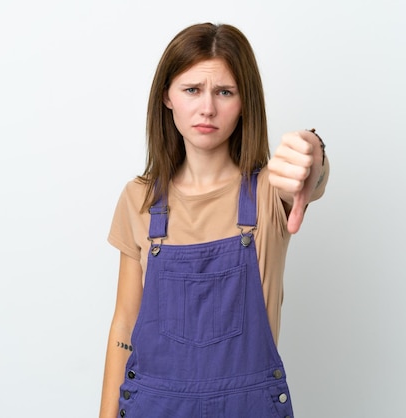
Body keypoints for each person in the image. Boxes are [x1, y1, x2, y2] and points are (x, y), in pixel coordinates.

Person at [99, 22, 329, 418]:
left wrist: (313, 153)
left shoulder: (269, 191)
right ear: (167, 97)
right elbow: (124, 323)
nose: (207, 108)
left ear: (245, 102)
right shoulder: (139, 198)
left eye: (225, 92)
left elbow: (312, 177)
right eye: (192, 90)